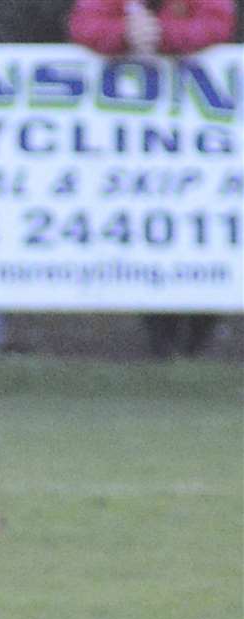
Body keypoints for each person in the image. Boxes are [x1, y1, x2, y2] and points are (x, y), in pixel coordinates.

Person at [68, 0, 237, 357]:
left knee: (206, 235)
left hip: (203, 140)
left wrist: (162, 35)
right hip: (136, 145)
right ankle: (164, 347)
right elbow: (84, 24)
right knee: (146, 234)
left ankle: (194, 342)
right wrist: (124, 35)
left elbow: (218, 24)